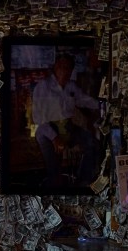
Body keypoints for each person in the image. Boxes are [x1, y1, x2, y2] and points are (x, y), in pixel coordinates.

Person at [31, 53, 101, 186]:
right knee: (54, 170)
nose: (65, 71)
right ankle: (53, 184)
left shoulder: (71, 86)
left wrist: (102, 105)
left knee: (92, 144)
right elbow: (38, 119)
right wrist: (54, 138)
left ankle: (83, 181)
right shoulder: (43, 87)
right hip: (47, 130)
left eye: (68, 68)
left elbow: (84, 100)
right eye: (62, 67)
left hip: (68, 127)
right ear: (55, 68)